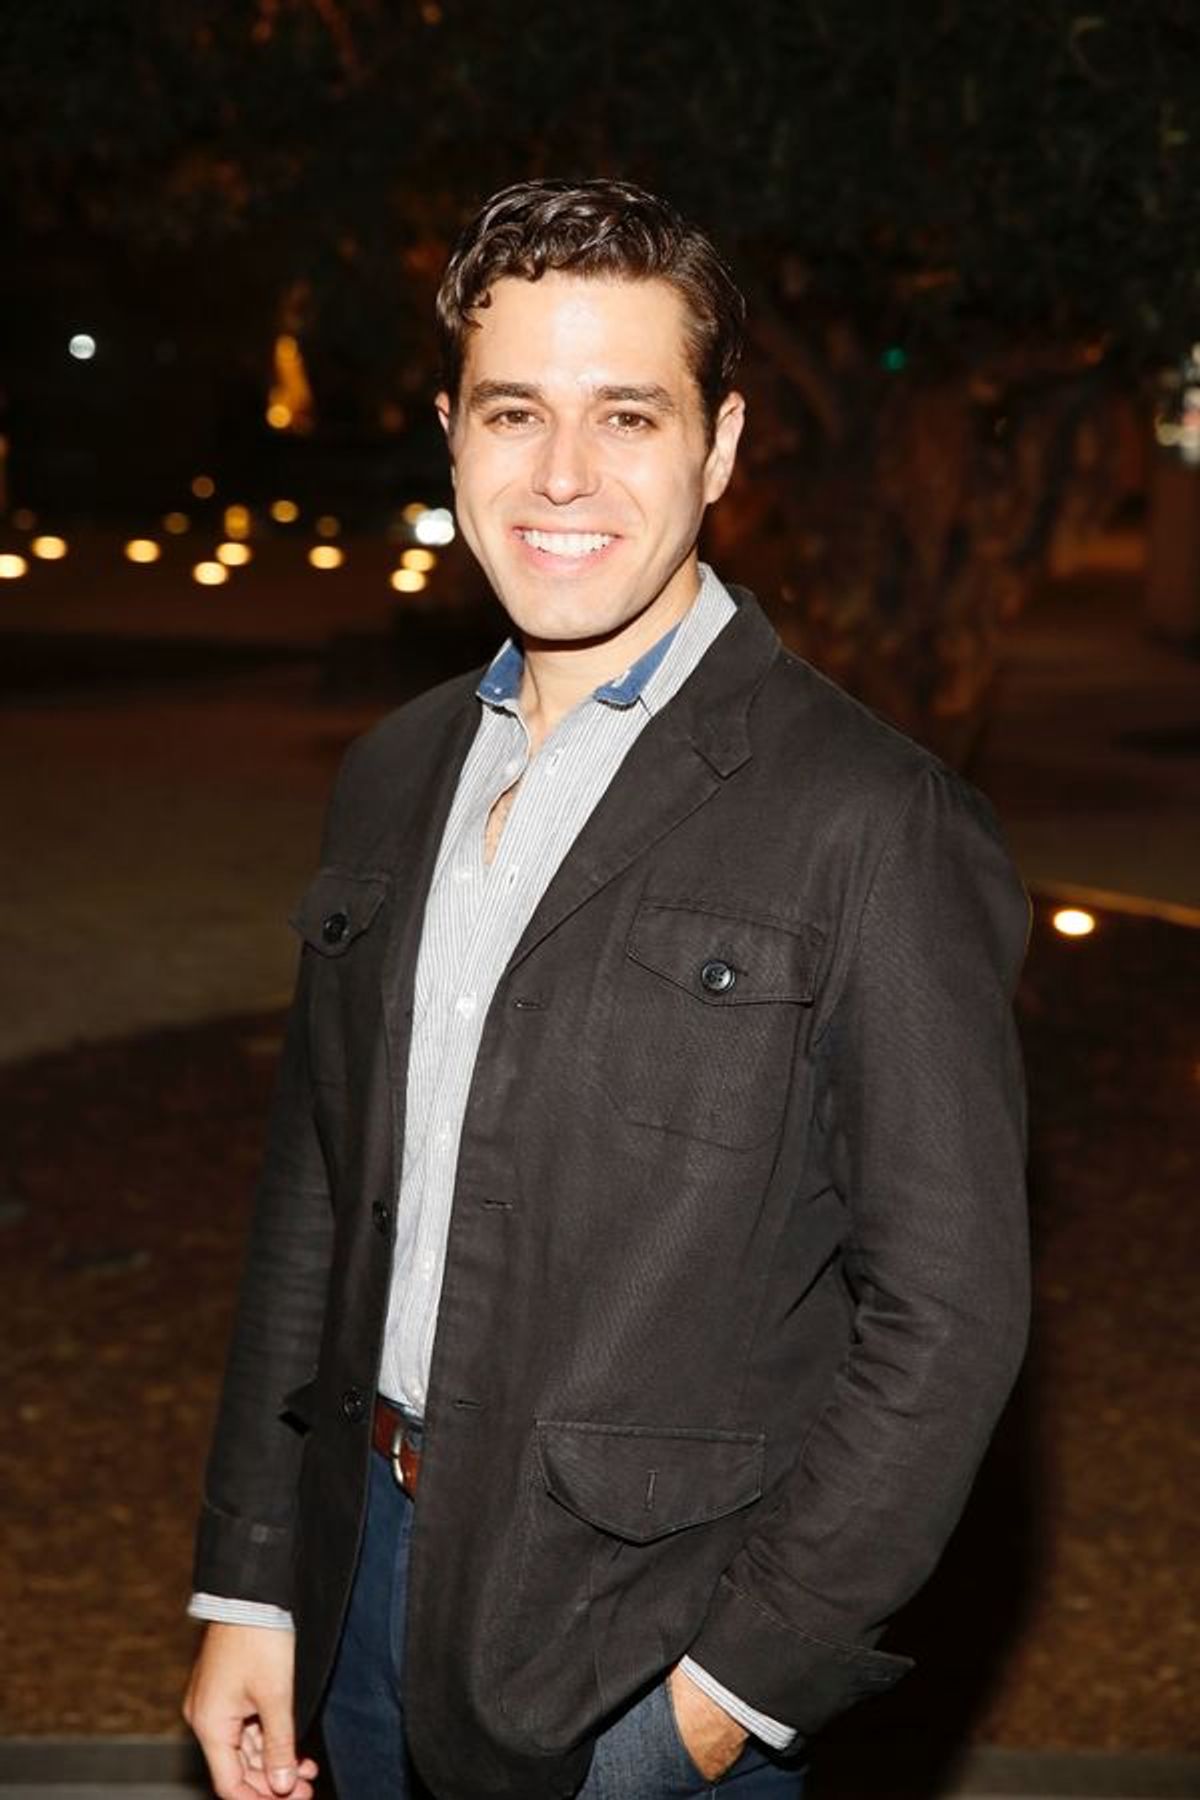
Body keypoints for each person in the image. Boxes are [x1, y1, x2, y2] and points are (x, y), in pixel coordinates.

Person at [183, 179, 1030, 1800]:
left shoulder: (870, 818)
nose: (561, 476)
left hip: (634, 1658)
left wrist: (727, 1696)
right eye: (515, 412)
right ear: (449, 432)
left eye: (627, 415)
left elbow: (952, 1313)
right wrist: (251, 1577)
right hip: (358, 1591)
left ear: (717, 447)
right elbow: (316, 1188)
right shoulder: (394, 772)